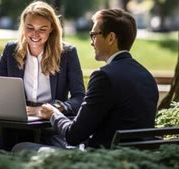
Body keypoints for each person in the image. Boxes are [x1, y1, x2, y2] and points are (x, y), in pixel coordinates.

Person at [13, 8, 159, 151]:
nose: (91, 42)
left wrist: (53, 113)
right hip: (136, 158)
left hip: (101, 161)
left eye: (94, 35)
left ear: (111, 38)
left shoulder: (104, 77)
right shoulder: (147, 77)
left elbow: (73, 135)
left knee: (21, 148)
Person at [0, 1, 85, 152]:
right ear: (23, 27)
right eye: (30, 28)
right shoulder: (11, 50)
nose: (35, 34)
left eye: (42, 29)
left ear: (52, 30)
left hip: (50, 126)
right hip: (17, 126)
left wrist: (57, 108)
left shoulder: (67, 54)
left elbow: (79, 97)